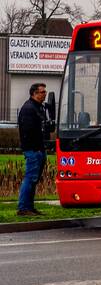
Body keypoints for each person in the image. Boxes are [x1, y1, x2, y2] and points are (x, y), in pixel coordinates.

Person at [17, 82, 48, 217]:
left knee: (34, 179)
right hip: (33, 150)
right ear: (34, 93)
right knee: (30, 178)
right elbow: (28, 132)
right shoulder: (29, 109)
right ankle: (23, 207)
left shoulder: (38, 108)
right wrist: (35, 148)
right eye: (42, 92)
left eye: (44, 92)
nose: (44, 94)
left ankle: (30, 206)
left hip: (39, 148)